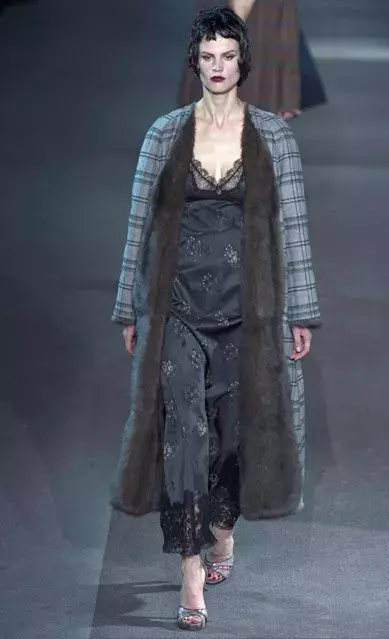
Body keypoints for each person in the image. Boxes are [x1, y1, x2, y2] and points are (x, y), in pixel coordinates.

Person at [111, 6, 321, 631]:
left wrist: (301, 310)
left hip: (248, 309)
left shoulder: (274, 138)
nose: (218, 67)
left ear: (242, 61)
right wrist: (127, 306)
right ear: (195, 62)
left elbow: (293, 227)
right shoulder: (165, 134)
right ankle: (190, 571)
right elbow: (139, 226)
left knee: (233, 434)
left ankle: (222, 528)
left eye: (228, 56)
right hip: (176, 306)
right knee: (183, 431)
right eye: (207, 56)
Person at [179, 0, 327, 120]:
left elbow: (288, 50)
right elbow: (198, 44)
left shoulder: (279, 4)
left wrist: (289, 101)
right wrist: (187, 96)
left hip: (261, 91)